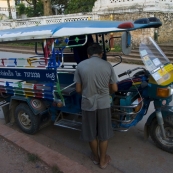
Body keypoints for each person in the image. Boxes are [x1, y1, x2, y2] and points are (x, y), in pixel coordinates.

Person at [74, 43, 118, 169]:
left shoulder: (80, 66)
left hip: (88, 104)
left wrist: (88, 92)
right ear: (101, 54)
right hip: (104, 103)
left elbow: (78, 89)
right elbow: (114, 88)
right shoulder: (107, 65)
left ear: (88, 55)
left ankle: (96, 157)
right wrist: (105, 93)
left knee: (91, 133)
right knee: (104, 134)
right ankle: (103, 161)